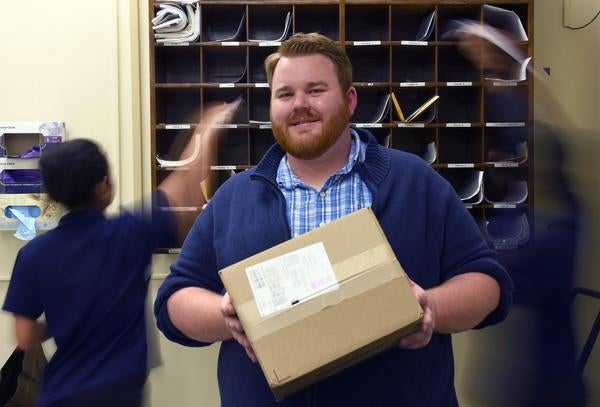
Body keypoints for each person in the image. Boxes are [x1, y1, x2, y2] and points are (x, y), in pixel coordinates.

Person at [154, 32, 514, 406]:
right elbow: (174, 301)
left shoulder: (415, 183)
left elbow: (487, 284)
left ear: (350, 99)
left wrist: (430, 308)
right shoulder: (234, 198)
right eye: (285, 94)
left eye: (315, 90)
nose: (299, 105)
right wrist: (222, 314)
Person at [1, 102, 237, 407]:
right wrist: (206, 129)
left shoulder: (33, 255)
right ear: (103, 187)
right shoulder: (129, 233)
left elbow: (25, 336)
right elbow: (188, 191)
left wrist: (63, 320)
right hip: (120, 393)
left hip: (61, 393)